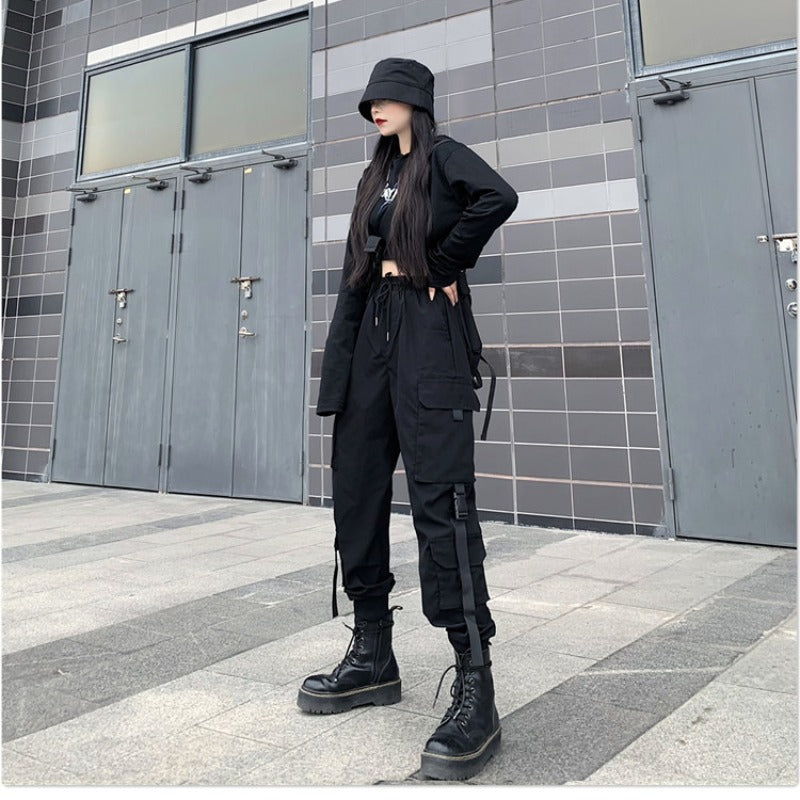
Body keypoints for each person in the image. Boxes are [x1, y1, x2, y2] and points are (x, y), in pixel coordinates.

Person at [297, 57, 519, 781]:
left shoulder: (444, 157)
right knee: (357, 490)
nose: (375, 109)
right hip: (373, 336)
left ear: (415, 103)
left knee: (441, 501)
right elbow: (358, 267)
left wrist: (441, 264)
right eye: (370, 101)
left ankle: (475, 682)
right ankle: (372, 653)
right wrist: (342, 368)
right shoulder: (377, 174)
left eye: (387, 99)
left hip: (427, 337)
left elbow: (498, 197)